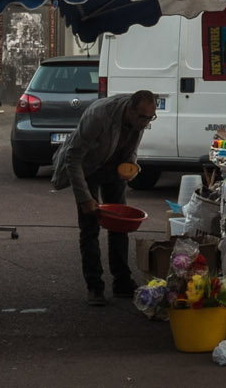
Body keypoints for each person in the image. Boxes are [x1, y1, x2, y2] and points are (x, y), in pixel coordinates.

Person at [50, 89, 159, 306]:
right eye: (142, 118)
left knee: (120, 225)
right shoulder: (98, 116)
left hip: (113, 167)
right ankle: (94, 286)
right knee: (90, 226)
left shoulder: (140, 118)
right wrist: (84, 199)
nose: (146, 123)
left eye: (150, 118)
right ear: (129, 109)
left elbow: (132, 148)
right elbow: (73, 157)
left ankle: (121, 282)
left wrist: (130, 164)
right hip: (87, 167)